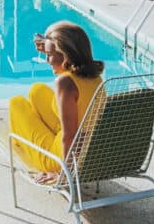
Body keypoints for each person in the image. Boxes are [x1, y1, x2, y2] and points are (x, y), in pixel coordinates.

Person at [8, 21, 105, 183]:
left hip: (62, 158)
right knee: (37, 90)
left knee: (16, 103)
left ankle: (29, 146)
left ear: (65, 54)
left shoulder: (65, 83)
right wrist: (49, 46)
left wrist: (62, 172)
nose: (47, 60)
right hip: (88, 146)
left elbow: (69, 136)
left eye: (49, 55)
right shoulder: (94, 76)